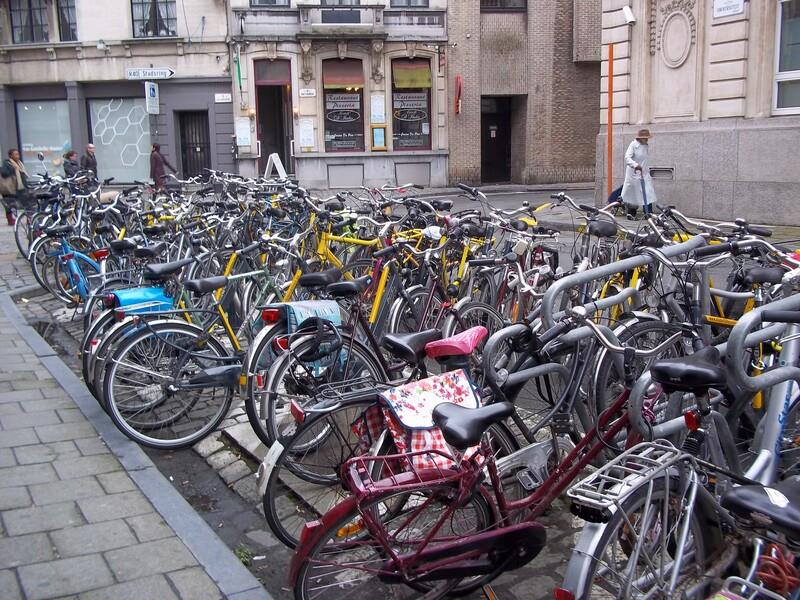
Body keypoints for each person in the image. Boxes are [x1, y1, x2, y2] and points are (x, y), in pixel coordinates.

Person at [621, 128, 657, 219]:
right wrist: (635, 165)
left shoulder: (646, 146)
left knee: (648, 193)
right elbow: (627, 157)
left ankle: (648, 213)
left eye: (647, 138)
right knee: (633, 194)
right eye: (645, 138)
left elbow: (645, 160)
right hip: (634, 173)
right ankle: (631, 213)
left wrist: (646, 170)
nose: (647, 139)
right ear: (640, 138)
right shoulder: (633, 145)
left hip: (644, 173)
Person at [0, 149, 28, 226]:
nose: (17, 156)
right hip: (10, 188)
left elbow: (22, 175)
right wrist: (14, 169)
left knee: (26, 203)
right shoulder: (7, 163)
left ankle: (29, 219)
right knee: (9, 205)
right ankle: (10, 220)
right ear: (10, 156)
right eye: (15, 154)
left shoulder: (19, 163)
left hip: (20, 187)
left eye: (18, 154)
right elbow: (4, 173)